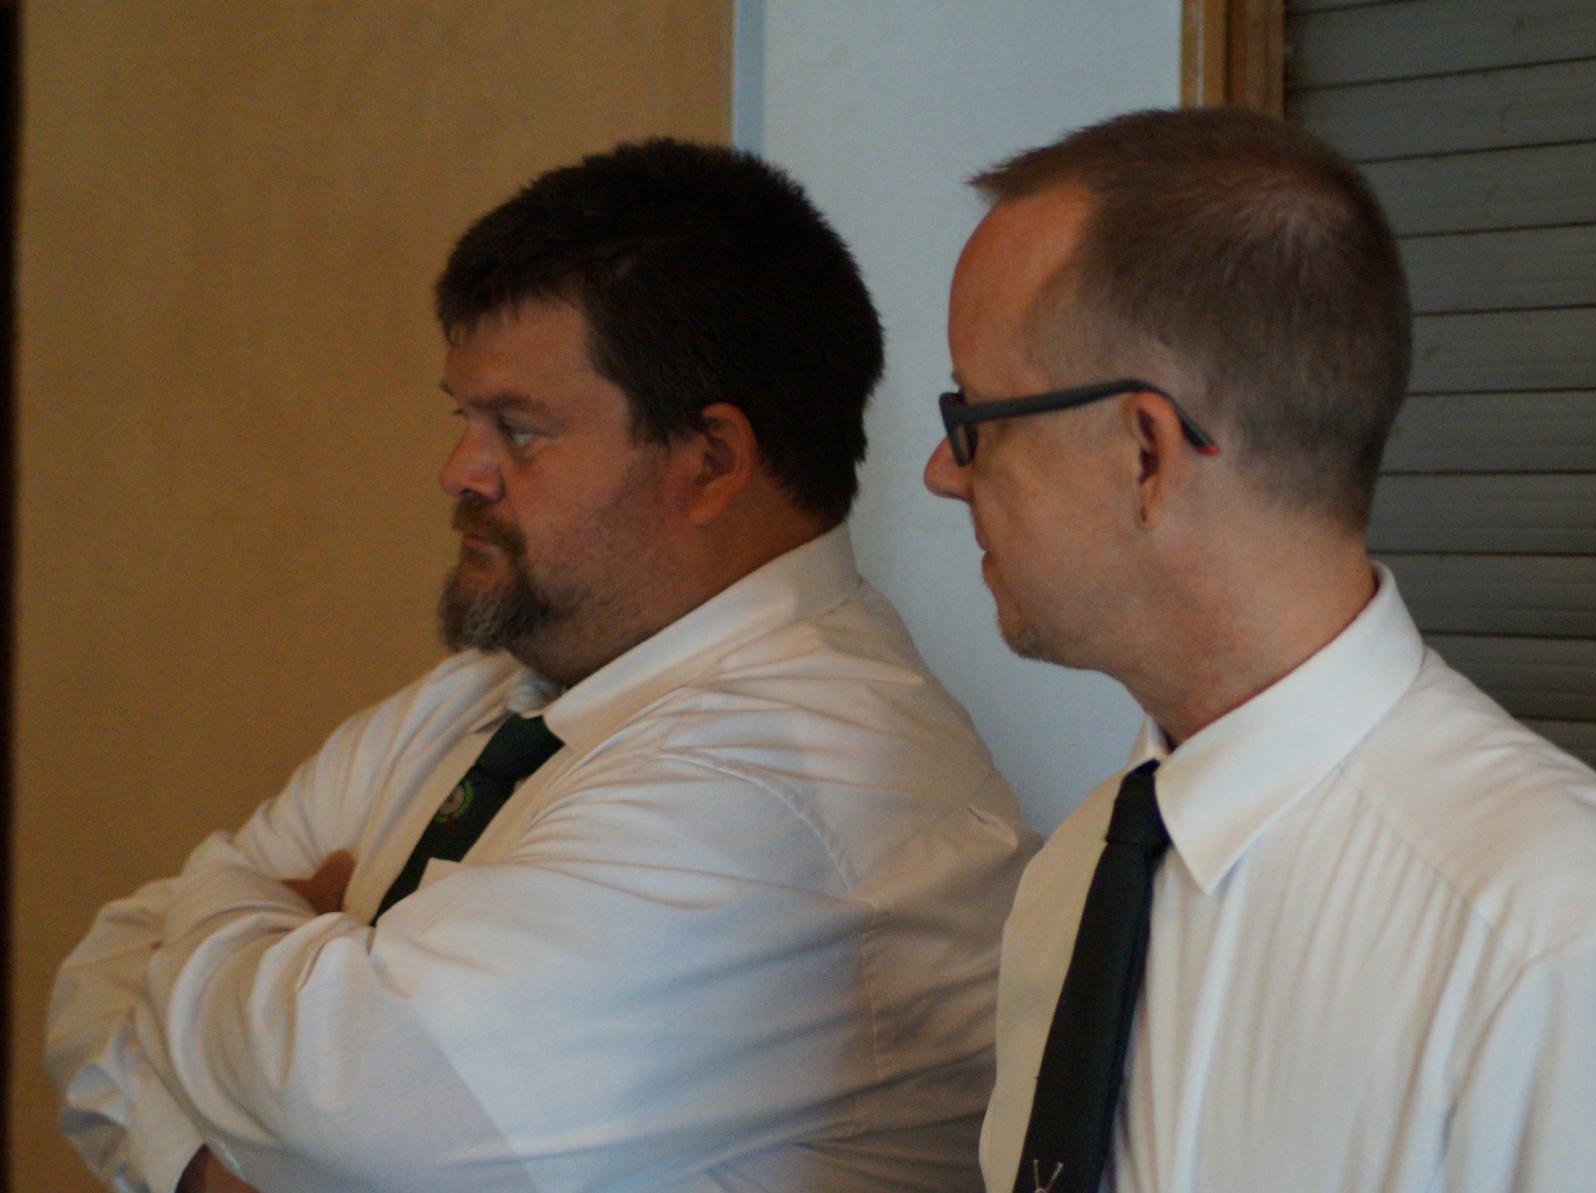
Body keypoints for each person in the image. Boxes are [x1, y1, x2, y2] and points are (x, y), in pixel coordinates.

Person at [48, 139, 1035, 1193]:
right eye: (463, 418)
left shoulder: (792, 782)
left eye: (518, 430)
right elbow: (98, 981)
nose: (458, 471)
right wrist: (214, 1151)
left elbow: (351, 1098)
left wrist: (219, 908)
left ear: (709, 462)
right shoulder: (487, 692)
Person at [923, 107, 1596, 1193]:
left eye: (975, 418)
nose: (944, 473)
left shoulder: (1557, 937)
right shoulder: (1077, 880)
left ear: (1145, 452)